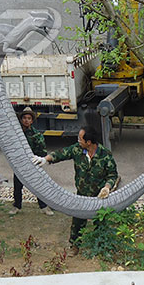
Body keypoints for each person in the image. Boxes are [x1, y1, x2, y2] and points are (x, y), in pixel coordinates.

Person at [33, 126, 118, 254]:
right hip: (82, 195)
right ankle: (74, 246)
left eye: (80, 139)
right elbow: (62, 153)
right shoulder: (77, 150)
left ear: (89, 142)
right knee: (77, 222)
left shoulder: (105, 154)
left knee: (101, 222)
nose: (78, 140)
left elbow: (113, 174)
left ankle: (101, 247)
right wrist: (45, 159)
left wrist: (107, 187)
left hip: (99, 198)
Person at [9, 107, 54, 216]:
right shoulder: (16, 134)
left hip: (33, 165)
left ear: (32, 120)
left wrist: (36, 161)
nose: (26, 120)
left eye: (29, 118)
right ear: (21, 119)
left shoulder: (36, 135)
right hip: (19, 164)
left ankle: (44, 207)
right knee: (17, 187)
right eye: (24, 118)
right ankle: (17, 206)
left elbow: (42, 152)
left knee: (38, 186)